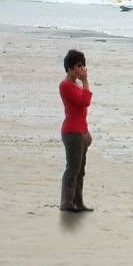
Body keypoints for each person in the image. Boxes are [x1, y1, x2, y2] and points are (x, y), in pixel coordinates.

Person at [59, 49, 94, 212]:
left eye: (83, 66)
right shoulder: (66, 85)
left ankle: (78, 202)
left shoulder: (76, 85)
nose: (82, 69)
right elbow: (85, 101)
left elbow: (82, 111)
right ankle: (67, 203)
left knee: (80, 170)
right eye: (79, 66)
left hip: (80, 131)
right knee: (72, 169)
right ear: (71, 68)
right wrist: (86, 81)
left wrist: (87, 132)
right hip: (72, 132)